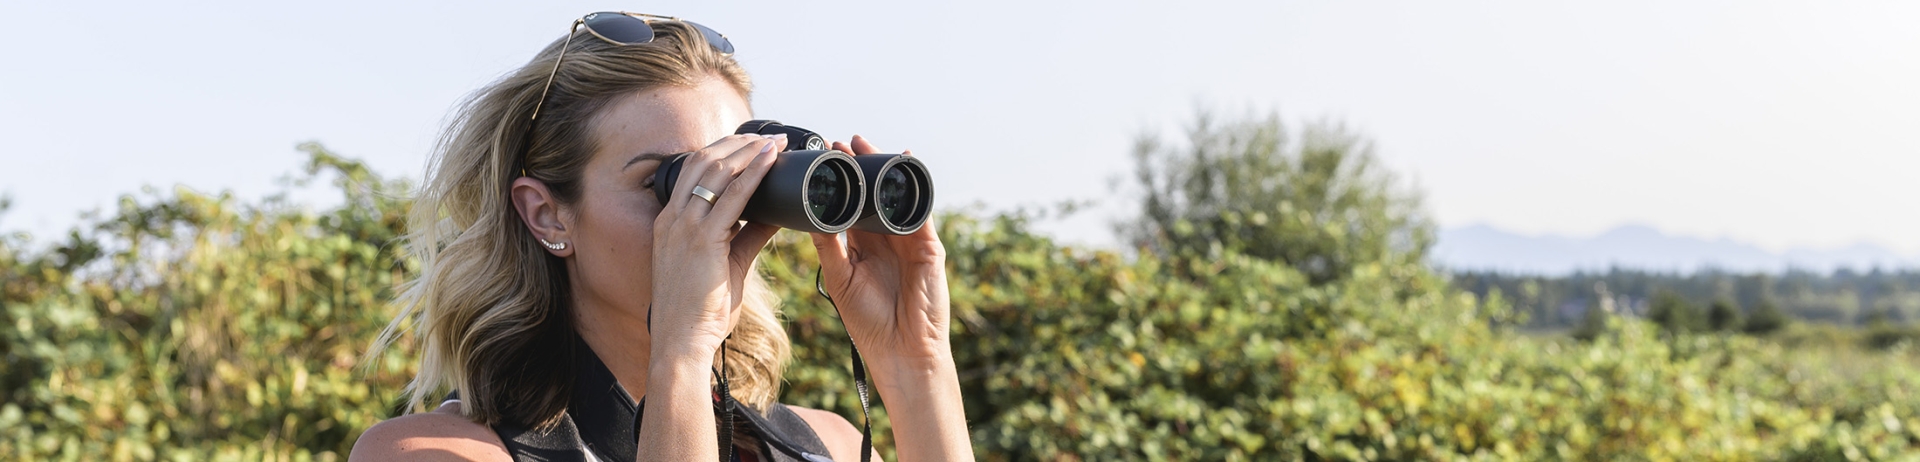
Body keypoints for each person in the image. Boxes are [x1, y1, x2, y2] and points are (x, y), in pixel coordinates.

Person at [349, 12, 973, 462]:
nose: (709, 214)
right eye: (667, 181)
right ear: (546, 214)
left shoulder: (825, 445)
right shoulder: (432, 453)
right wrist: (679, 352)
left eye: (736, 177)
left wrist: (915, 361)